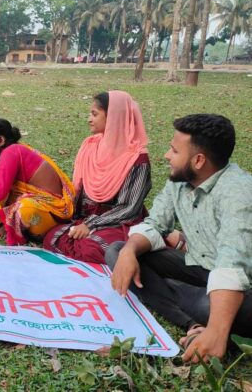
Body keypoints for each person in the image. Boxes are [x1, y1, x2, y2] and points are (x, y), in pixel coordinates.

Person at [108, 114, 252, 364]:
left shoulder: (238, 192)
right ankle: (193, 323)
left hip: (241, 286)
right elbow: (155, 224)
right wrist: (130, 252)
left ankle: (208, 320)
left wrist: (217, 332)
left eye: (174, 150)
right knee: (118, 252)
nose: (166, 155)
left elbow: (233, 263)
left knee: (212, 308)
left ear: (198, 160)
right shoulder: (181, 181)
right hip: (198, 267)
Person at [43, 91, 151, 263]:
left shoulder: (137, 159)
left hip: (118, 222)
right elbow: (79, 190)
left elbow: (129, 208)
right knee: (51, 236)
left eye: (94, 114)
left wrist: (91, 225)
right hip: (86, 218)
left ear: (115, 118)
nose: (89, 119)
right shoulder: (91, 145)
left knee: (91, 249)